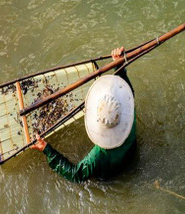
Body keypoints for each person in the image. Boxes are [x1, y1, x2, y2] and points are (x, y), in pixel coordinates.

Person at [32, 49, 136, 181]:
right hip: (131, 156)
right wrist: (119, 65)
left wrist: (47, 149)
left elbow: (75, 174)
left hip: (109, 177)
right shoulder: (129, 113)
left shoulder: (98, 156)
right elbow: (128, 91)